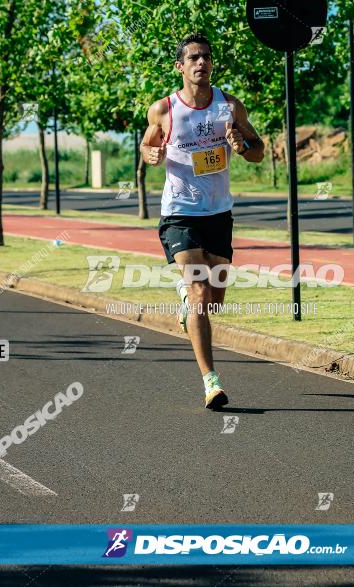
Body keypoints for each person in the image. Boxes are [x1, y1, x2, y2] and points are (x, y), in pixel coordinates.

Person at [140, 32, 265, 410]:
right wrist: (152, 154)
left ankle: (186, 302)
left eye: (206, 57)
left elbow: (258, 151)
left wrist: (241, 146)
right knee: (199, 291)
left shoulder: (229, 107)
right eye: (193, 57)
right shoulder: (163, 110)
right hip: (180, 213)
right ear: (180, 66)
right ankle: (211, 382)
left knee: (213, 301)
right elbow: (147, 144)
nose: (201, 63)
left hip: (219, 213)